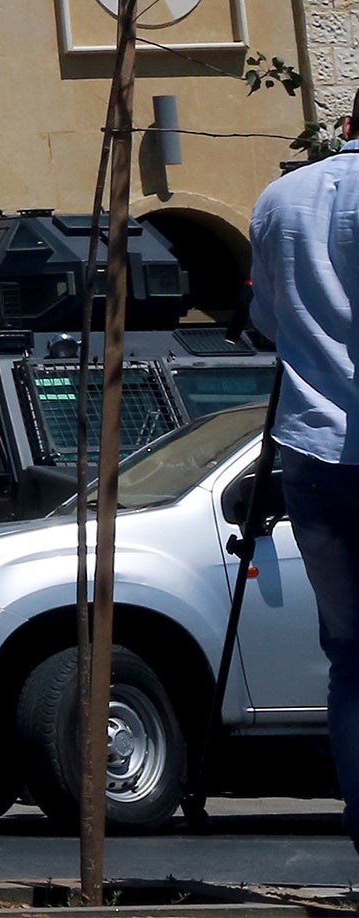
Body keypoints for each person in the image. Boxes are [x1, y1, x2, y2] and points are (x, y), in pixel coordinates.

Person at [245, 99, 359, 853]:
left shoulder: (281, 199)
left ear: (349, 125)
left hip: (315, 450)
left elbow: (264, 322)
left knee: (353, 657)